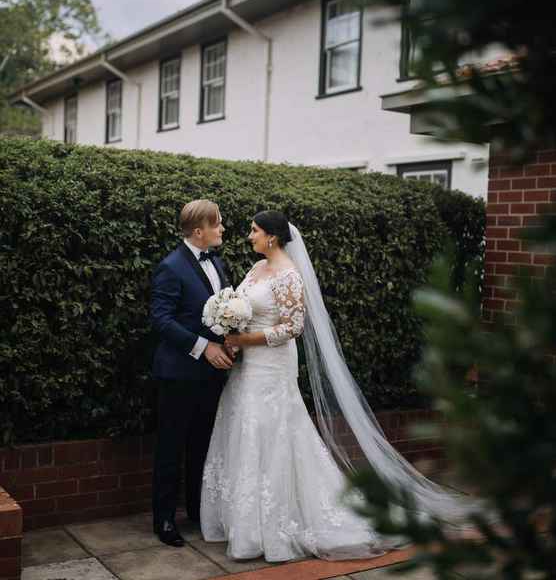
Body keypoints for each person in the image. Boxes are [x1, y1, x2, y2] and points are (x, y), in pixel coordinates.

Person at [200, 210, 484, 562]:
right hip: (247, 369)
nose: (249, 236)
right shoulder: (256, 268)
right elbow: (244, 308)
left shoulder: (288, 274)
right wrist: (228, 321)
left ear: (272, 236)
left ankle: (275, 527)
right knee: (245, 431)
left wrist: (245, 339)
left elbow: (292, 328)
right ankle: (244, 523)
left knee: (274, 435)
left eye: (254, 231)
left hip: (271, 368)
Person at [150, 199, 234, 547]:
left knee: (202, 444)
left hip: (212, 376)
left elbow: (224, 309)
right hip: (178, 373)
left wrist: (230, 340)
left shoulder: (218, 261)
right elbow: (161, 320)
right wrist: (204, 347)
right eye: (217, 225)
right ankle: (164, 520)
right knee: (171, 448)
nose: (223, 229)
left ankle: (198, 513)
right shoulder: (170, 267)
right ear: (198, 231)